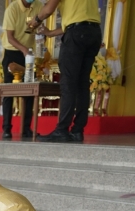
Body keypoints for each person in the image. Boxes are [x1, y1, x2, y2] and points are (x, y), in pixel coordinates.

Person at [29, 0, 101, 143]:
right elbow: (75, 22)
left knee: (68, 83)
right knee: (82, 84)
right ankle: (77, 130)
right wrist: (50, 33)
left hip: (76, 34)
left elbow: (49, 9)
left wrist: (35, 21)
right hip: (94, 33)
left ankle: (62, 130)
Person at [1, 0, 43, 139]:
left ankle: (26, 129)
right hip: (12, 52)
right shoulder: (12, 9)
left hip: (29, 53)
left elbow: (40, 26)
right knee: (8, 92)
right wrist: (24, 49)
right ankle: (6, 129)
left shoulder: (38, 6)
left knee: (29, 92)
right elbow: (10, 37)